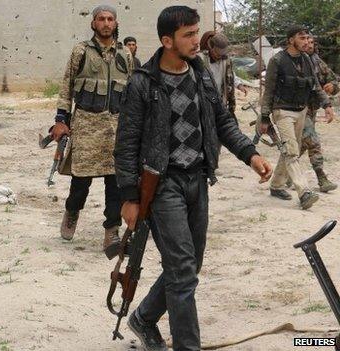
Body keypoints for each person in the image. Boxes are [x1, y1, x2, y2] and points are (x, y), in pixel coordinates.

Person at [114, 6, 272, 350]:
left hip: (197, 179)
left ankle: (143, 318)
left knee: (189, 262)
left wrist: (251, 154)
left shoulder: (200, 75)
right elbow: (125, 145)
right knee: (183, 269)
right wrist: (129, 196)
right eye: (188, 34)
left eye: (196, 32)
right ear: (166, 40)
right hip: (162, 183)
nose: (196, 40)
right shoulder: (143, 83)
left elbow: (223, 121)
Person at [51, 4, 134, 259]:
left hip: (115, 129)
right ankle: (72, 211)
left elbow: (132, 93)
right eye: (101, 19)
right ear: (93, 24)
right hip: (86, 126)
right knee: (81, 182)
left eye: (110, 19)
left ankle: (112, 229)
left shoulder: (125, 55)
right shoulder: (81, 51)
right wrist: (61, 120)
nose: (106, 23)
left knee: (115, 183)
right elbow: (67, 87)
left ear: (116, 23)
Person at [260, 25, 335, 209]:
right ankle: (304, 192)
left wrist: (327, 105)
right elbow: (268, 90)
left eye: (307, 38)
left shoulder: (307, 60)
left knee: (290, 149)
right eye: (301, 38)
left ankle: (277, 185)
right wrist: (264, 117)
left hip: (301, 111)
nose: (305, 42)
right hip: (282, 111)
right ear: (291, 40)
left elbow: (316, 86)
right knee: (292, 151)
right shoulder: (277, 61)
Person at [299, 35, 339, 192]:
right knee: (313, 141)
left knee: (302, 145)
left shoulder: (318, 62)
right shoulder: (295, 61)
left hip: (311, 110)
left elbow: (334, 81)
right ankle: (321, 177)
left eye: (311, 42)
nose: (309, 45)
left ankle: (285, 175)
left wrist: (332, 87)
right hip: (296, 109)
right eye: (306, 42)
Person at [199, 31, 247, 116]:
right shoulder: (202, 60)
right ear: (211, 47)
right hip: (206, 102)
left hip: (221, 101)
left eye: (222, 54)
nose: (219, 57)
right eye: (217, 54)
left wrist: (239, 85)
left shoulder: (225, 60)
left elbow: (231, 75)